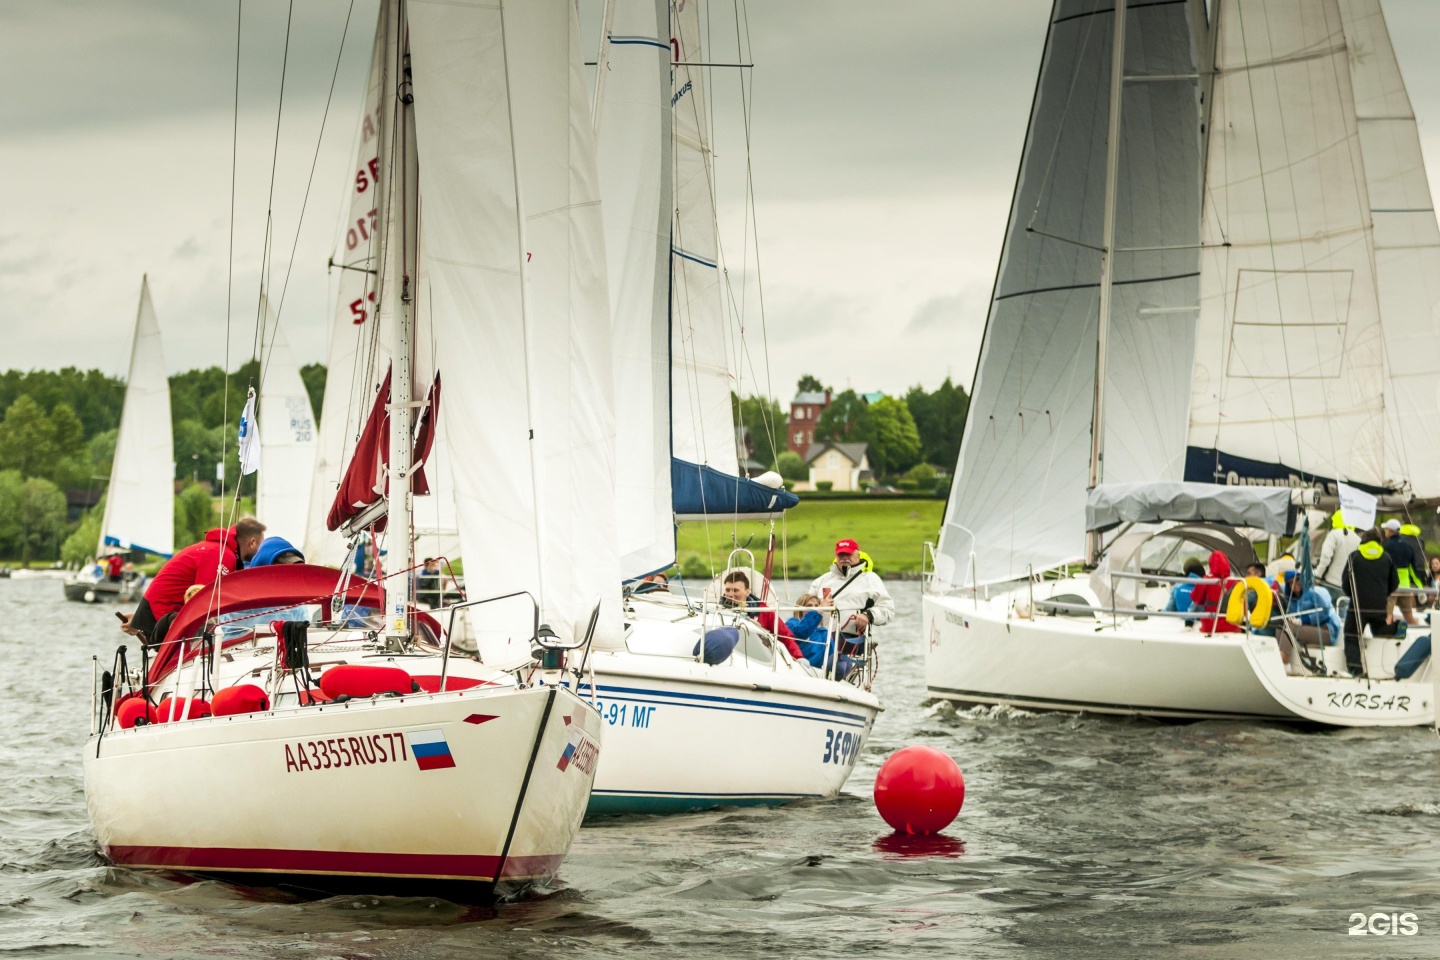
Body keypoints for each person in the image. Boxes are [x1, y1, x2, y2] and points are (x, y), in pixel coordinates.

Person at [120, 518, 266, 644]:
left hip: (158, 612)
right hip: (163, 617)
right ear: (252, 542)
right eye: (261, 545)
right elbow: (204, 600)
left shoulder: (215, 550)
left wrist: (140, 618)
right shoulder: (223, 555)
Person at [807, 539, 896, 650]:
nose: (844, 558)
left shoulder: (871, 579)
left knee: (835, 659)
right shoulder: (821, 581)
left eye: (848, 554)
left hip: (851, 642)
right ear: (836, 556)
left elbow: (888, 609)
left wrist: (868, 615)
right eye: (841, 555)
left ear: (858, 555)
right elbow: (804, 610)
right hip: (818, 639)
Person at [1341, 530, 1399, 677]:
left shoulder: (1354, 557)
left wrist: (1353, 595)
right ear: (1379, 541)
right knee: (1379, 631)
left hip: (1357, 607)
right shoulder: (1387, 558)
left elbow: (1345, 583)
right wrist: (1382, 594)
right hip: (1379, 606)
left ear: (1363, 540)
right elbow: (1395, 583)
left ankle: (1356, 670)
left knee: (1351, 636)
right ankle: (1395, 629)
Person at [722, 571, 804, 660]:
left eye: (735, 590)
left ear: (747, 592)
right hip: (727, 656)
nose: (730, 594)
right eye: (728, 590)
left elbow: (785, 636)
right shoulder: (717, 610)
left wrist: (798, 657)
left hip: (757, 659)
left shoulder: (764, 611)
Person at [1278, 570, 1343, 644]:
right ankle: (1281, 653)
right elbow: (1293, 615)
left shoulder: (1315, 592)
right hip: (1310, 629)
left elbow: (1324, 612)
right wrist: (1291, 619)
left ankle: (1283, 654)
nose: (1295, 583)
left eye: (1297, 580)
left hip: (1327, 631)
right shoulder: (1292, 601)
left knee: (1289, 628)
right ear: (1288, 586)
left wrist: (1302, 621)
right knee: (1281, 627)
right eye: (1291, 582)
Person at [1381, 519, 1422, 626]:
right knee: (1408, 615)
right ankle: (1419, 632)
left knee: (1388, 615)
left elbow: (1382, 567)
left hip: (1391, 586)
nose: (1385, 532)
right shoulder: (1408, 547)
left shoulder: (1385, 547)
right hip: (1405, 587)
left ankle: (1386, 634)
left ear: (1390, 531)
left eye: (1386, 529)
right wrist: (1420, 587)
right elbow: (1413, 570)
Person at [1187, 550, 1239, 633]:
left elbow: (1196, 600)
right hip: (1232, 626)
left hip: (1210, 626)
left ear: (1210, 564)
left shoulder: (1206, 580)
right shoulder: (1236, 582)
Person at [1317, 510, 1360, 597]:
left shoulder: (1334, 535)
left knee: (1326, 609)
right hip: (1347, 585)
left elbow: (1326, 557)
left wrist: (1318, 574)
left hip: (1330, 583)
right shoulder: (1358, 539)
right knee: (1342, 609)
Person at [1163, 558, 1205, 625]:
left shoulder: (1177, 588)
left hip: (1182, 623)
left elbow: (1170, 609)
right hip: (1202, 623)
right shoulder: (1207, 586)